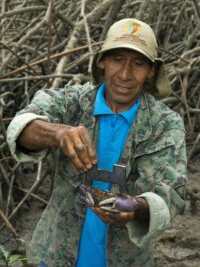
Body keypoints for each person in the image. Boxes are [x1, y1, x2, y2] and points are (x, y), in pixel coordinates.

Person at [7, 18, 187, 267]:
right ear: (101, 62)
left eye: (137, 64)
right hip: (56, 255)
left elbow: (170, 193)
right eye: (117, 60)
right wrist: (58, 133)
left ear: (151, 71)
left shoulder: (164, 123)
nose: (125, 74)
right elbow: (23, 125)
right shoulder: (73, 101)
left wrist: (136, 207)